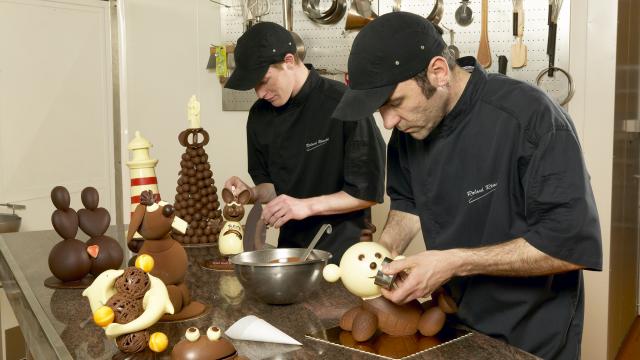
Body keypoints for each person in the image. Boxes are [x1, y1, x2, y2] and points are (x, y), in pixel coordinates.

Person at [332, 12, 602, 360]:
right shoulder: (410, 130)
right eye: (380, 110)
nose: (389, 122)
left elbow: (568, 244)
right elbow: (408, 203)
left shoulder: (530, 118)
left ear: (438, 72)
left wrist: (452, 262)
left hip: (531, 337)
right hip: (454, 324)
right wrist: (378, 260)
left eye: (395, 103)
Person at [223, 22, 385, 263]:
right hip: (290, 253)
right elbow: (275, 188)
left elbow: (367, 191)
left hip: (345, 253)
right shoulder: (259, 115)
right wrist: (253, 192)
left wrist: (306, 206)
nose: (260, 93)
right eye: (253, 86)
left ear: (289, 61)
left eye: (264, 80)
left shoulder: (343, 103)